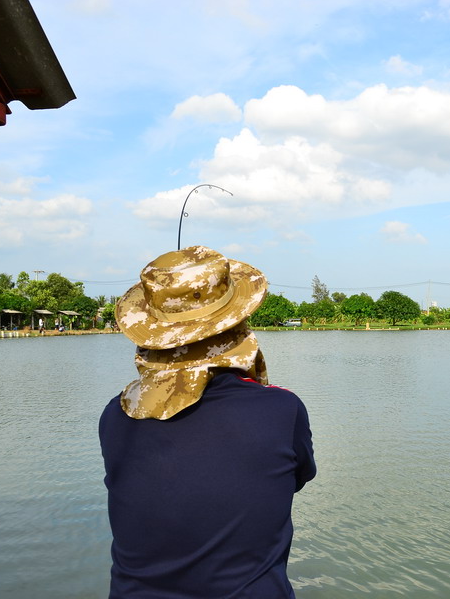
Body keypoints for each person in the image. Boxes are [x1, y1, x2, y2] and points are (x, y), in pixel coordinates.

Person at [99, 246, 316, 598]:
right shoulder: (281, 410)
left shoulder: (116, 414)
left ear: (153, 338)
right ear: (236, 327)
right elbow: (292, 480)